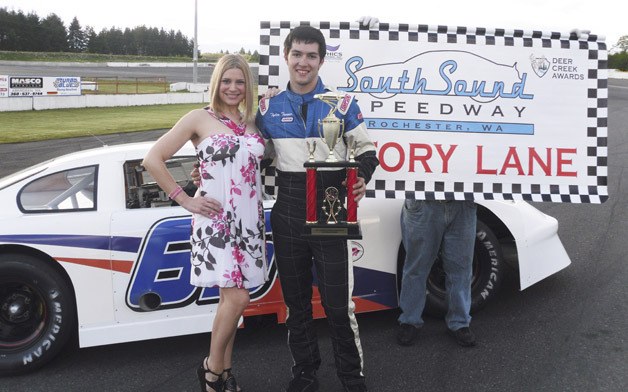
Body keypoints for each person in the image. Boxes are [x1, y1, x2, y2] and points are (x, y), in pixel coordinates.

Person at [256, 26, 379, 392]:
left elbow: (368, 152)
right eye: (297, 54)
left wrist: (362, 177)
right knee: (296, 304)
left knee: (339, 306)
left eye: (311, 55)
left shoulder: (343, 105)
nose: (303, 62)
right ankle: (305, 371)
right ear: (286, 56)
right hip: (287, 210)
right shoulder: (268, 107)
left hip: (329, 209)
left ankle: (351, 376)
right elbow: (252, 156)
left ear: (322, 60)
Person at [143, 54, 266, 392]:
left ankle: (225, 371)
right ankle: (211, 371)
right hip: (215, 222)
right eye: (226, 81)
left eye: (240, 81)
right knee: (238, 300)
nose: (233, 87)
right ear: (216, 83)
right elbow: (153, 159)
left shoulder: (252, 122)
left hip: (249, 222)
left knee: (232, 302)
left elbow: (253, 164)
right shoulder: (199, 117)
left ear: (247, 86)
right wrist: (185, 199)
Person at [397, 200, 478, 347]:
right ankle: (409, 320)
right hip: (423, 202)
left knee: (461, 268)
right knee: (416, 267)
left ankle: (460, 321)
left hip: (462, 203)